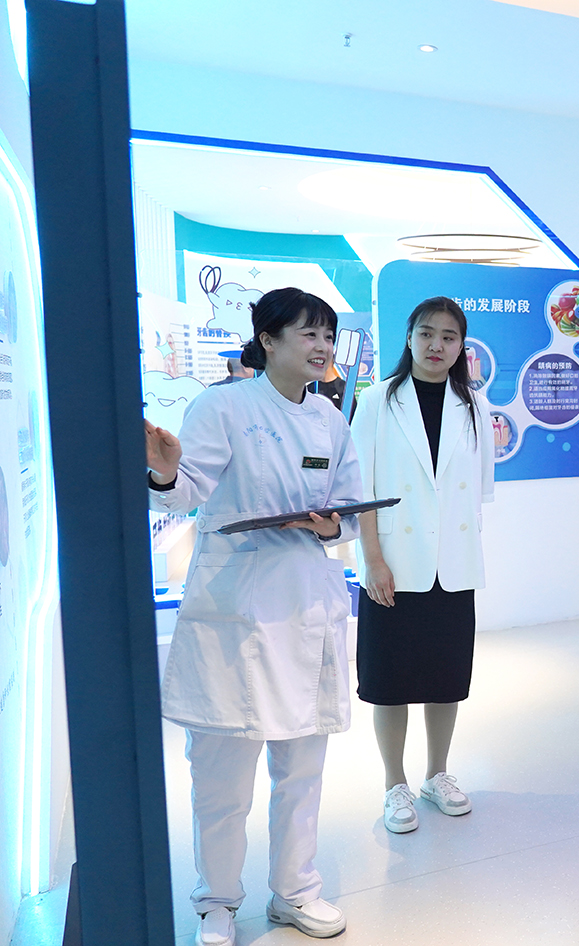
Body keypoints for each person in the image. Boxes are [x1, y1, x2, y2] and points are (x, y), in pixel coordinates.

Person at [145, 288, 362, 945]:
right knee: (222, 778)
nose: (322, 347)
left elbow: (350, 508)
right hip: (235, 611)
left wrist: (331, 524)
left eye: (328, 335)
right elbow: (186, 491)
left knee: (302, 771)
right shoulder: (224, 406)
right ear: (268, 340)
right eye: (308, 334)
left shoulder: (330, 419)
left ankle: (295, 891)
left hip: (306, 606)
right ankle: (216, 901)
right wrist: (165, 474)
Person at [350, 296, 493, 835]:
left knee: (445, 678)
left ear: (461, 346)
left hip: (451, 564)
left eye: (449, 337)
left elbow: (477, 492)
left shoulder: (474, 404)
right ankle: (395, 782)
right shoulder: (377, 401)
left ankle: (437, 774)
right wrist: (373, 561)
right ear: (408, 337)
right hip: (394, 563)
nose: (437, 345)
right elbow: (360, 491)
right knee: (388, 681)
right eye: (427, 333)